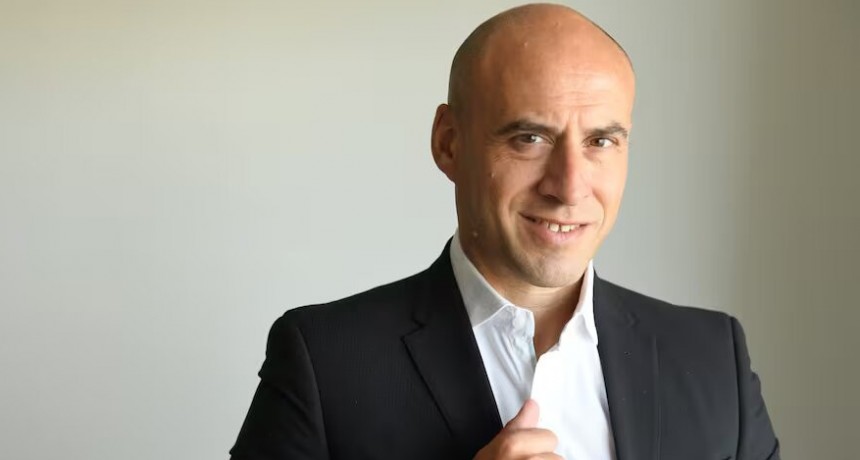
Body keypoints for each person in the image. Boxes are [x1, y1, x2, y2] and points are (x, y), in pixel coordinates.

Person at [230, 4, 780, 460]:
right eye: (529, 139)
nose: (569, 187)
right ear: (448, 143)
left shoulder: (715, 358)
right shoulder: (324, 362)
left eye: (601, 141)